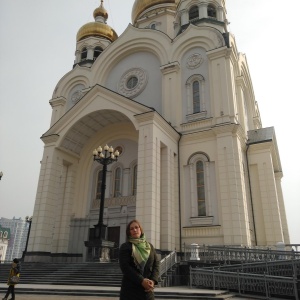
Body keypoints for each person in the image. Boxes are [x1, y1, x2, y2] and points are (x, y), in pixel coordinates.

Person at [119, 220, 160, 300]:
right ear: (129, 232)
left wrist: (153, 281)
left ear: (140, 230)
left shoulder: (150, 246)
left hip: (147, 292)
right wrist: (141, 281)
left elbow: (156, 264)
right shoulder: (125, 246)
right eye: (131, 229)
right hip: (130, 292)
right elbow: (125, 267)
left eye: (136, 227)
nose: (134, 230)